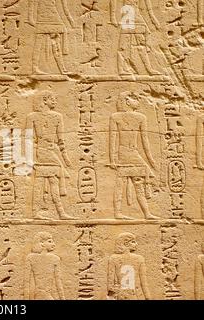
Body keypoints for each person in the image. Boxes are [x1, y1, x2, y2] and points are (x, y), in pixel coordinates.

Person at [109, 91, 158, 220]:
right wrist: (112, 159)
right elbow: (113, 139)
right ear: (127, 101)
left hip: (134, 153)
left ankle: (146, 213)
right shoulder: (115, 117)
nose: (138, 101)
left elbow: (144, 140)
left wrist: (150, 159)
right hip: (123, 154)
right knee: (121, 183)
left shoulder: (141, 117)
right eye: (134, 98)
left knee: (139, 183)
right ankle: (118, 213)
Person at [26, 90, 73, 220]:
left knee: (51, 182)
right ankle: (51, 212)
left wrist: (65, 157)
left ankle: (58, 212)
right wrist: (30, 160)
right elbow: (28, 139)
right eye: (52, 98)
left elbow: (61, 140)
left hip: (50, 152)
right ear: (45, 100)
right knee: (43, 183)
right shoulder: (32, 117)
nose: (55, 101)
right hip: (42, 153)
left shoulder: (57, 116)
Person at [110, 0, 162, 75]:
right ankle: (121, 70)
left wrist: (153, 19)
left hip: (137, 17)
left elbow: (148, 4)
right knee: (123, 46)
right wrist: (112, 17)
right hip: (127, 17)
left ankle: (149, 69)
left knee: (142, 44)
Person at [28, 0, 74, 74]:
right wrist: (30, 18)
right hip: (42, 17)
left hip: (53, 16)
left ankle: (62, 69)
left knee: (56, 42)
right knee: (39, 43)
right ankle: (35, 68)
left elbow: (64, 6)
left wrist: (70, 20)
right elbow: (32, 3)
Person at [107, 232, 151, 300]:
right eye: (133, 242)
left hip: (121, 295)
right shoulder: (139, 259)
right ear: (126, 243)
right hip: (133, 295)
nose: (136, 244)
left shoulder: (113, 258)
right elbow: (144, 284)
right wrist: (148, 297)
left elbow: (110, 286)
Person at [24, 232, 65, 300]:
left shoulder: (55, 258)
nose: (53, 244)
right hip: (43, 296)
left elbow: (58, 282)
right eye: (50, 242)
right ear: (42, 243)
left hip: (39, 296)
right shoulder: (54, 259)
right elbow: (26, 283)